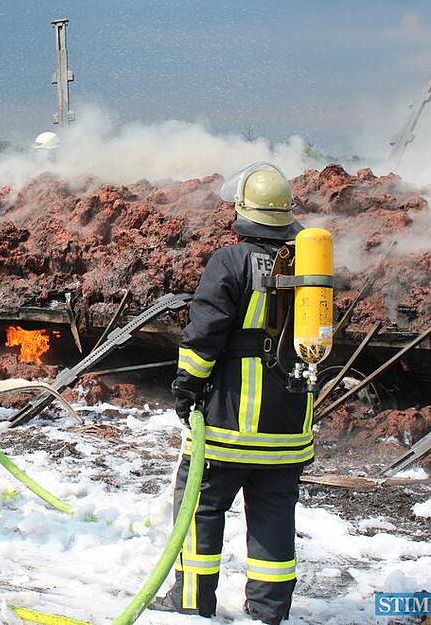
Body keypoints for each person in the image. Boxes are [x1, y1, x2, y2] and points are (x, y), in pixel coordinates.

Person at [151, 162, 313, 624]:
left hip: (228, 427)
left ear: (244, 212)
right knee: (274, 520)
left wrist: (186, 389)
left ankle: (190, 605)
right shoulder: (308, 265)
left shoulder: (231, 260)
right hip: (287, 428)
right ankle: (268, 613)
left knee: (199, 510)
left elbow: (204, 335)